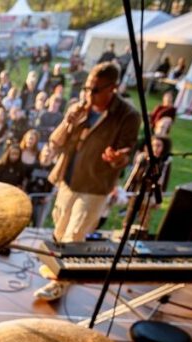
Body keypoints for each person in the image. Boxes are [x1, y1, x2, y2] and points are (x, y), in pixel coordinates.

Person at [34, 62, 141, 301]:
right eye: (86, 88)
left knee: (75, 234)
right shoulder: (79, 108)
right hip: (68, 179)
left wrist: (118, 158)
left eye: (95, 90)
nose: (88, 94)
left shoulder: (127, 116)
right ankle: (58, 269)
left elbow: (127, 152)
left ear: (112, 88)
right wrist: (68, 122)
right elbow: (56, 141)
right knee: (60, 229)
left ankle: (60, 283)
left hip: (94, 187)